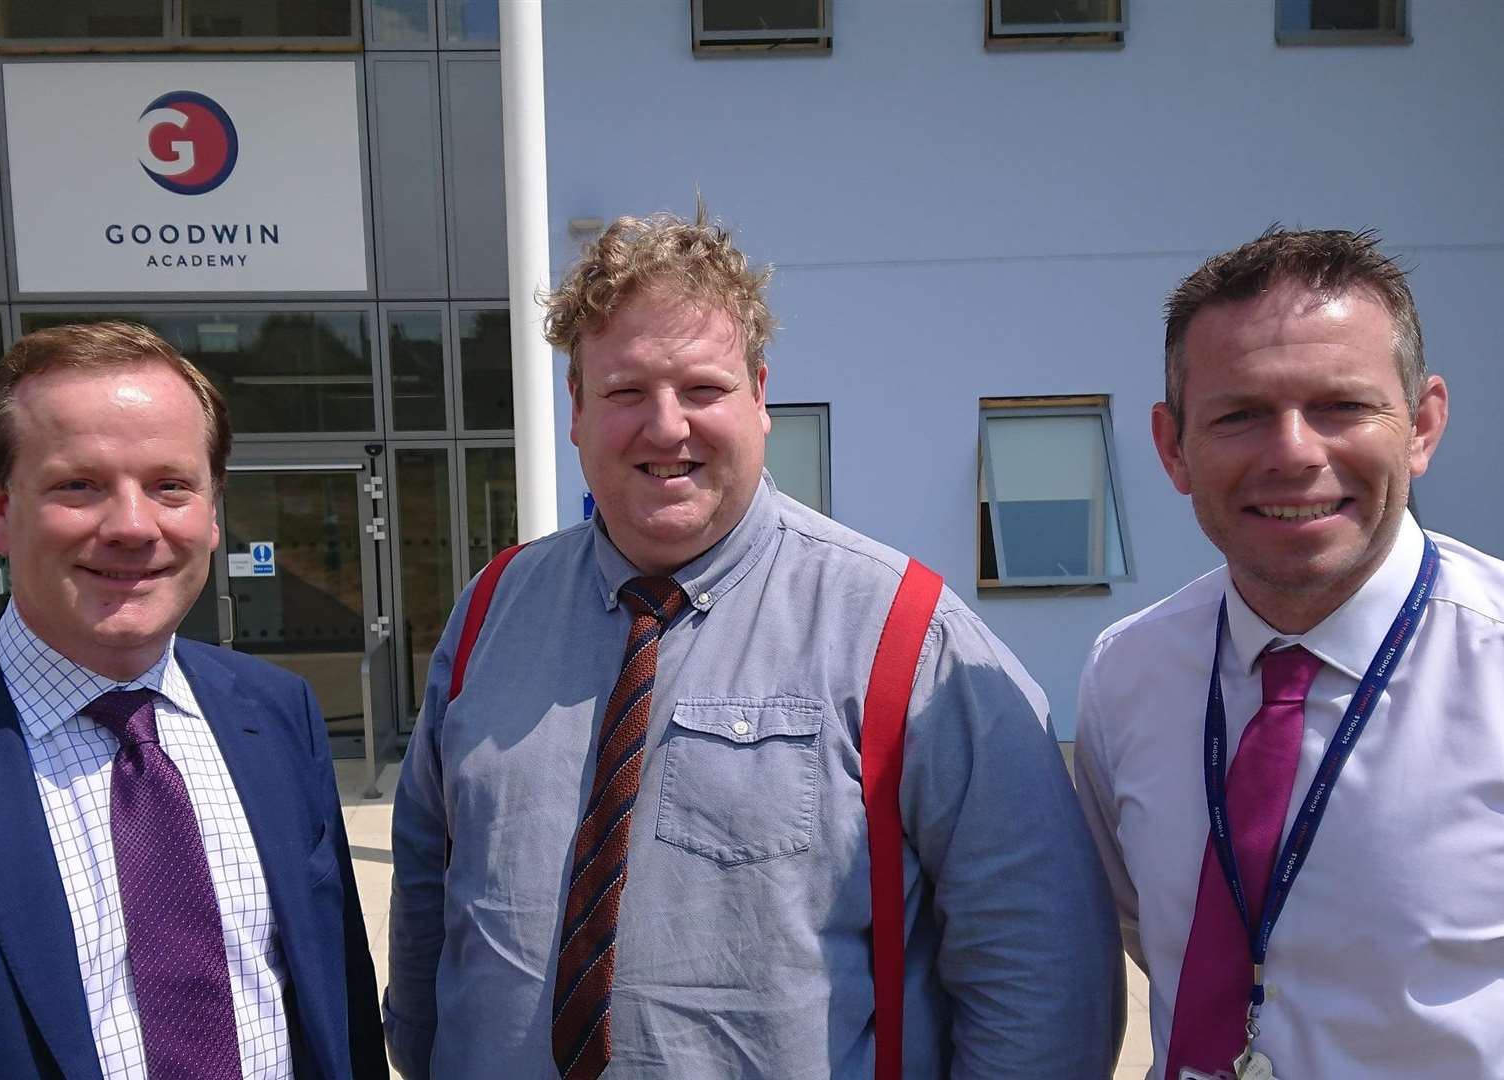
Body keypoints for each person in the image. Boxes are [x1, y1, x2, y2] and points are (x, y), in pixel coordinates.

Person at [385, 210, 1120, 1079]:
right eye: (625, 392)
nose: (666, 428)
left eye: (703, 388)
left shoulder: (908, 635)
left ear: (761, 396)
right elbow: (429, 901)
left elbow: (1041, 970)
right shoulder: (490, 613)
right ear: (576, 409)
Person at [0, 322, 387, 1079]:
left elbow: (334, 995)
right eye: (78, 485)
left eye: (170, 485)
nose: (130, 526)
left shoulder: (277, 714)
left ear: (213, 513)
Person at [1074, 228, 1504, 1079]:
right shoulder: (1126, 674)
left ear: (1420, 425)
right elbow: (1136, 928)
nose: (1296, 452)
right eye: (1241, 414)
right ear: (1173, 448)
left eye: (1342, 406)